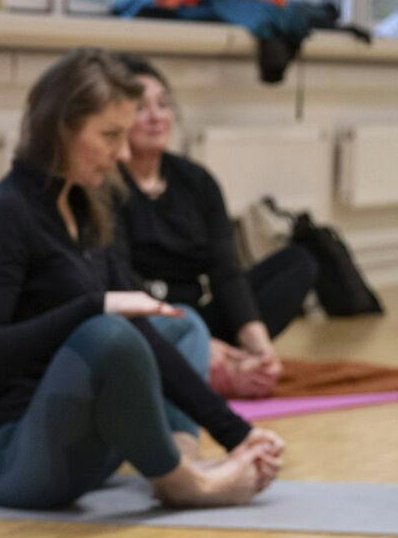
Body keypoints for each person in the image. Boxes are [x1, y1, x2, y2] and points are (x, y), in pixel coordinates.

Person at [0, 48, 284, 511]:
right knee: (107, 334)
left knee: (183, 322)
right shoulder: (4, 214)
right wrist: (93, 308)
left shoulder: (89, 207)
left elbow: (146, 332)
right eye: (110, 136)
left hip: (88, 450)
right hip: (13, 461)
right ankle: (182, 482)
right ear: (61, 129)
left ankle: (177, 460)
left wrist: (240, 434)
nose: (123, 154)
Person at [112, 56, 319, 398]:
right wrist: (194, 340)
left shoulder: (196, 181)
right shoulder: (107, 185)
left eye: (163, 105)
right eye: (140, 107)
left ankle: (235, 360)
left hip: (201, 314)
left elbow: (226, 270)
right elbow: (117, 276)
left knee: (298, 263)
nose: (156, 117)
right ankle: (203, 364)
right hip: (147, 320)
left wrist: (259, 345)